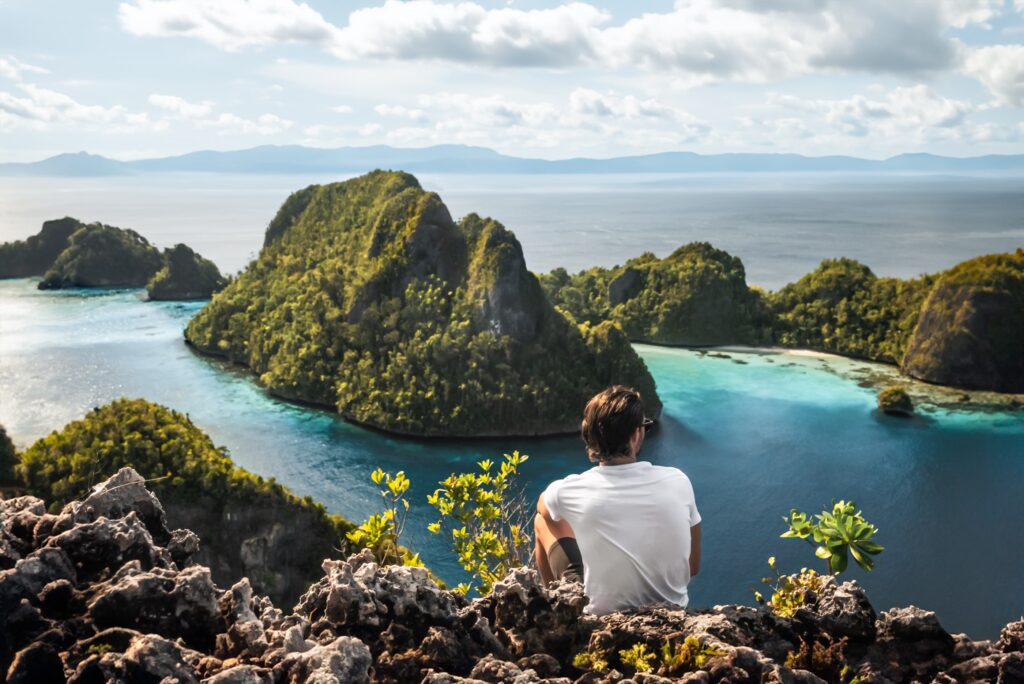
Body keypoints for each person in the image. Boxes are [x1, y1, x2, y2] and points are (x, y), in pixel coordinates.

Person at [534, 385, 702, 615]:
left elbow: (543, 507)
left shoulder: (571, 489)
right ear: (636, 435)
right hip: (672, 615)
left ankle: (557, 614)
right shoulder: (678, 480)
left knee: (542, 521)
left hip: (601, 619)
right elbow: (691, 566)